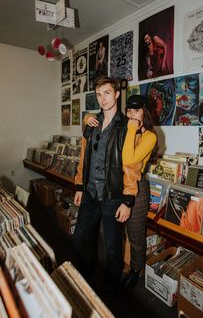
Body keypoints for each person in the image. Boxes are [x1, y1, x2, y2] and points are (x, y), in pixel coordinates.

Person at [87, 94, 157, 292]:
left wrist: (133, 128)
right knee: (115, 232)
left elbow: (128, 159)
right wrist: (88, 119)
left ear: (145, 112)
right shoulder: (123, 128)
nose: (131, 114)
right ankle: (116, 266)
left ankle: (135, 271)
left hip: (137, 188)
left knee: (135, 235)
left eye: (137, 110)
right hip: (116, 185)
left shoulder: (149, 136)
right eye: (129, 110)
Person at [73, 76, 136, 292]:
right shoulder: (91, 124)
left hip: (114, 197)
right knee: (80, 237)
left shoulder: (127, 127)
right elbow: (84, 157)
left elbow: (132, 166)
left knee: (112, 248)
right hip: (91, 192)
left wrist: (128, 200)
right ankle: (87, 283)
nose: (103, 99)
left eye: (107, 93)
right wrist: (80, 185)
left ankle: (110, 291)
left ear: (117, 94)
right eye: (99, 94)